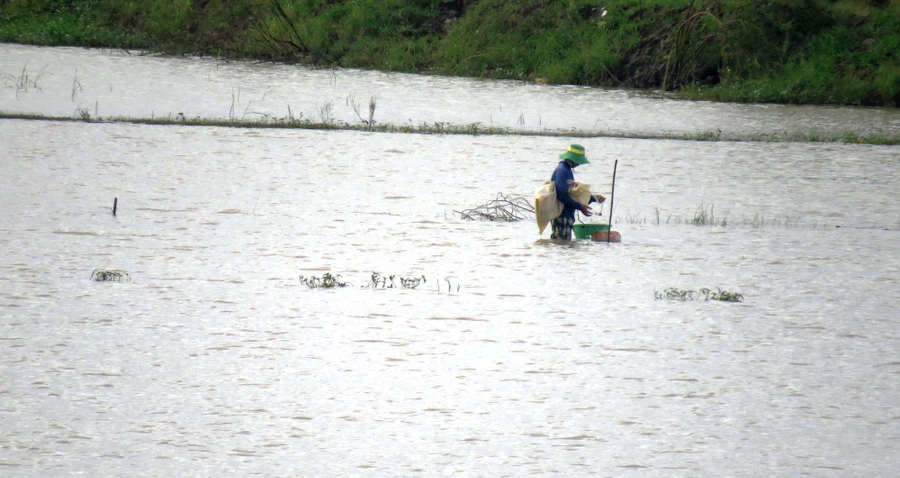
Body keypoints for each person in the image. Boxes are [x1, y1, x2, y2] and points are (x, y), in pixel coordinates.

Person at [550, 144, 606, 240]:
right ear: (573, 159)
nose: (579, 164)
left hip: (567, 215)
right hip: (561, 215)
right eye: (579, 161)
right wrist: (580, 207)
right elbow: (562, 195)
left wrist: (594, 198)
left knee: (564, 243)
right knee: (561, 243)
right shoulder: (562, 171)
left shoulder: (567, 170)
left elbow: (573, 194)